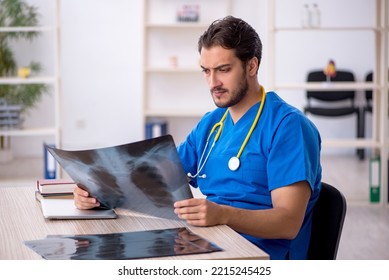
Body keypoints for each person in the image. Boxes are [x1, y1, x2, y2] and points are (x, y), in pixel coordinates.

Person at [74, 16, 322, 260]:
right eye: (206, 71)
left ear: (251, 66)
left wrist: (222, 215)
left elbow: (288, 222)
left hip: (255, 256)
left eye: (223, 70)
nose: (213, 82)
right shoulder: (213, 123)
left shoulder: (288, 127)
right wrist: (98, 193)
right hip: (206, 240)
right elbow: (154, 176)